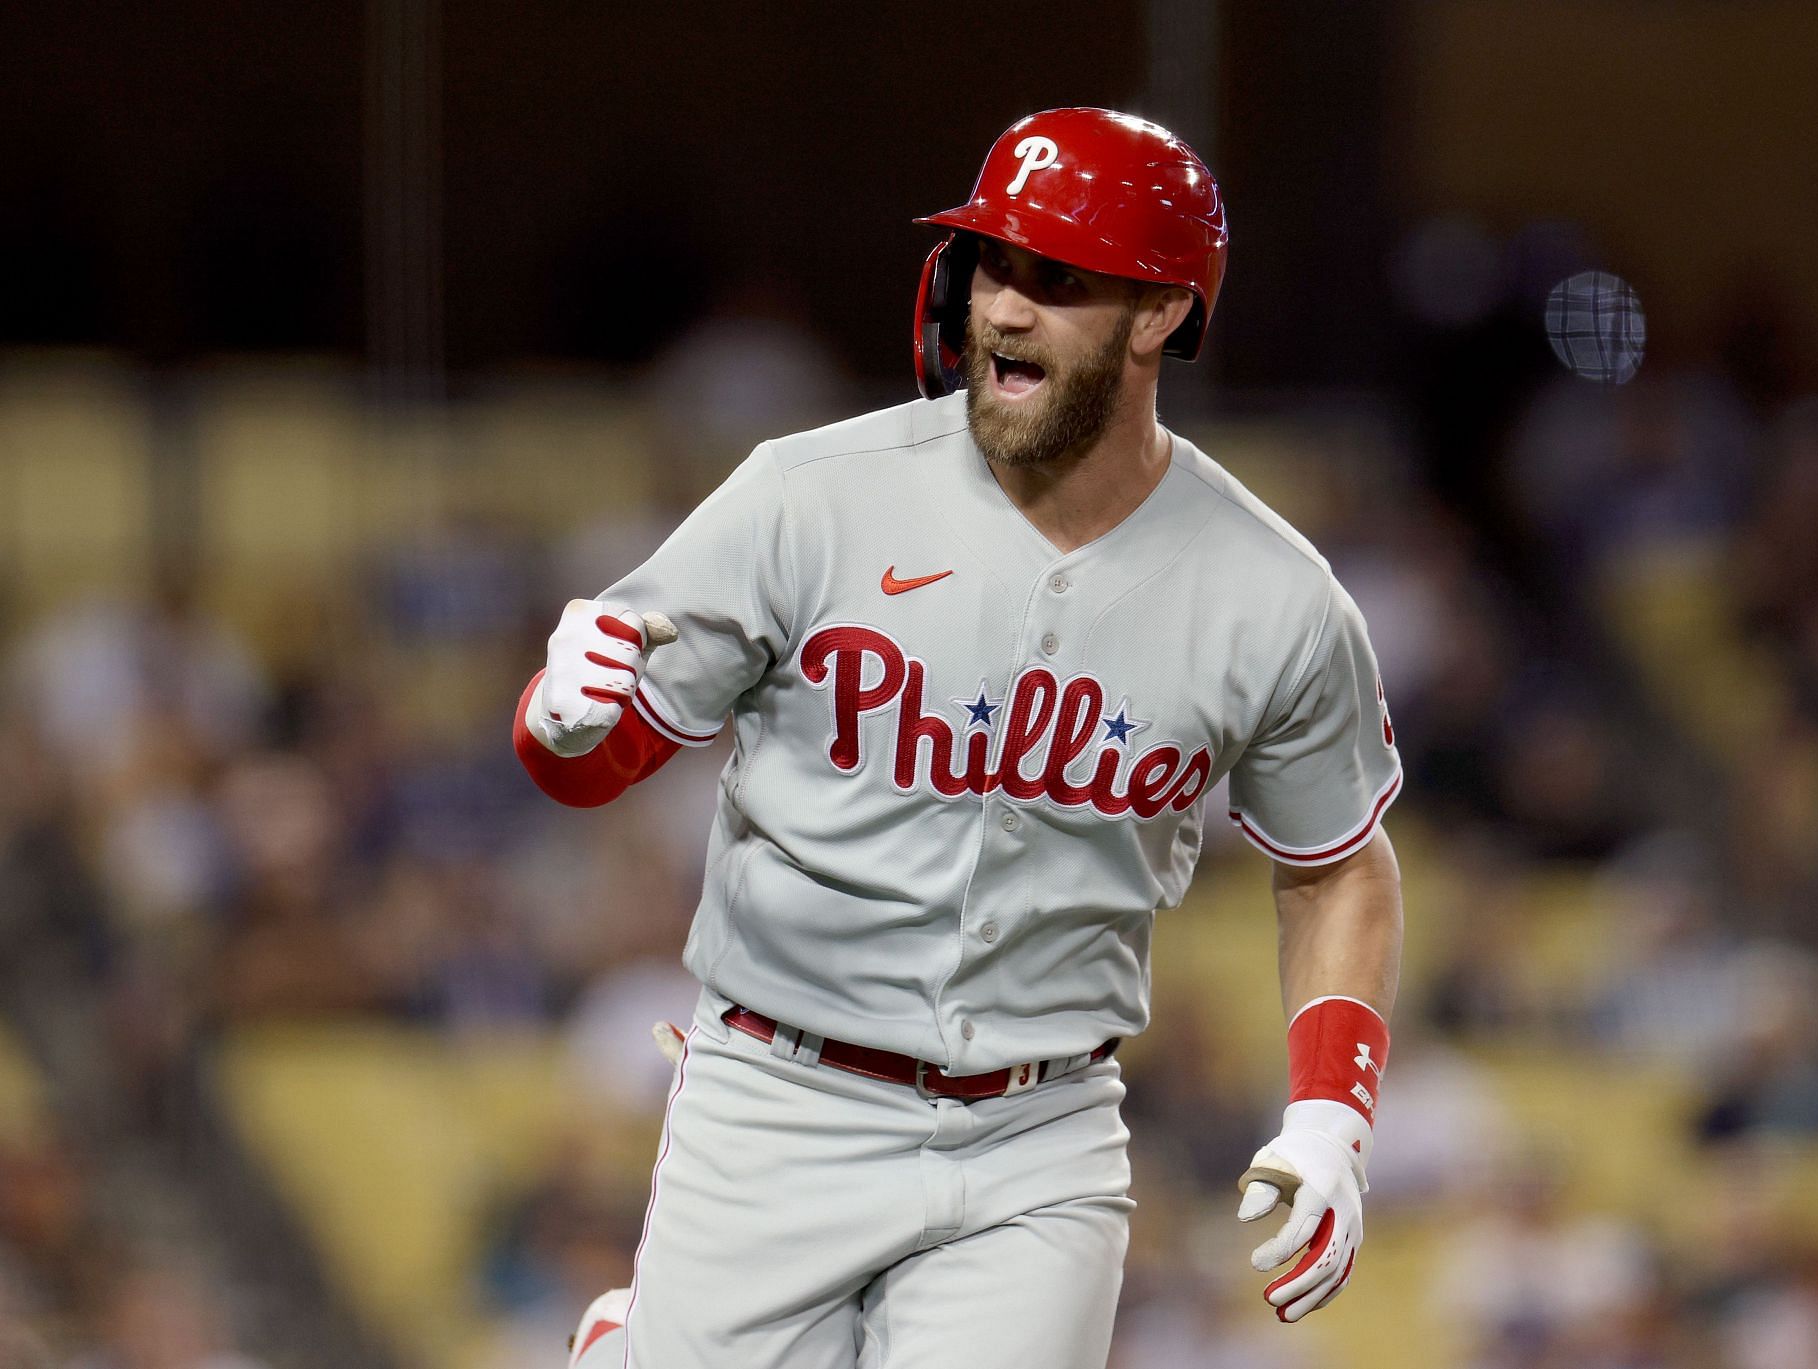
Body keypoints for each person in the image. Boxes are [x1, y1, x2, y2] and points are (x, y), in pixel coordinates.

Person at [518, 107, 1404, 1369]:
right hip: (777, 1098)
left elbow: (1337, 863)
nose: (1003, 307)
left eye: (1059, 279)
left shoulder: (1275, 595)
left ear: (1159, 316)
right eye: (994, 263)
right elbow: (586, 762)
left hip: (1036, 1140)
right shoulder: (808, 493)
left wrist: (1329, 1120)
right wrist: (558, 719)